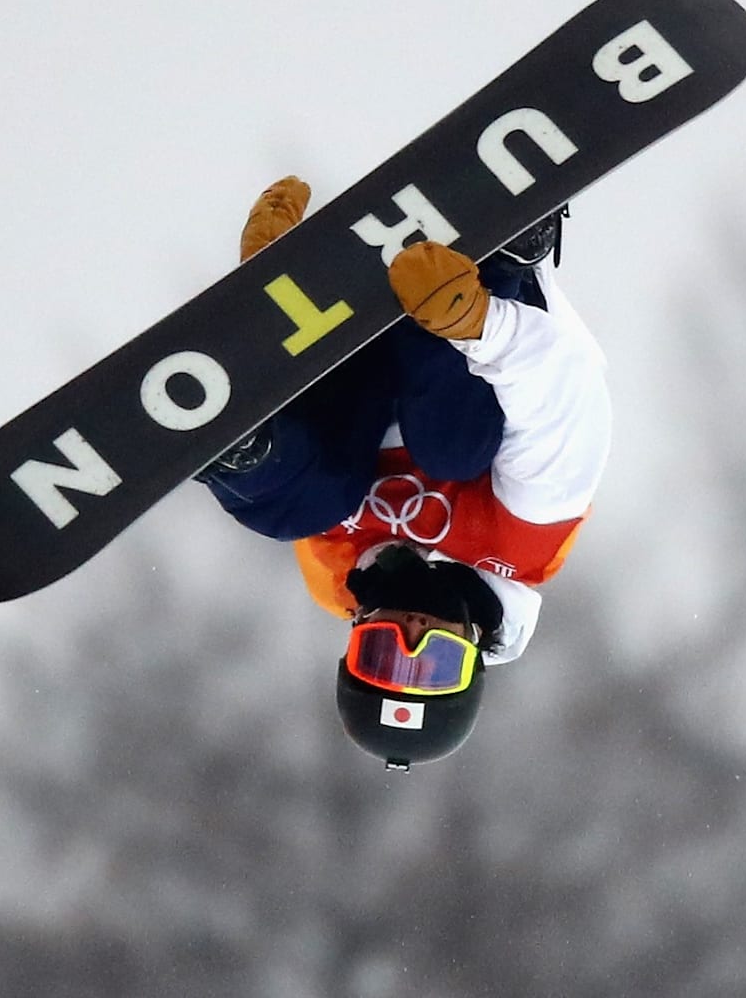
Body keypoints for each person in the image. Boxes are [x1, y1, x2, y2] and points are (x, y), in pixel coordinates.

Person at [198, 177, 610, 770]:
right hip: (459, 319)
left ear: (354, 640)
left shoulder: (340, 569)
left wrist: (262, 319)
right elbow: (563, 391)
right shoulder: (524, 542)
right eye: (435, 663)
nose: (413, 632)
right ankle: (502, 256)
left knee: (302, 506)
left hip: (352, 355)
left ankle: (237, 438)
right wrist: (480, 322)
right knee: (454, 452)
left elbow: (307, 466)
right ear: (471, 654)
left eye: (382, 654)